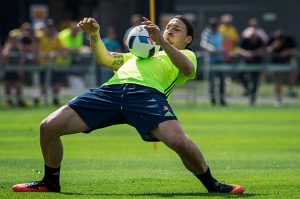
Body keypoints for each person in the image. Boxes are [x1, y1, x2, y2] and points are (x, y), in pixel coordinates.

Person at [12, 16, 244, 194]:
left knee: (179, 142)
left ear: (188, 39)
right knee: (48, 126)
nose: (170, 30)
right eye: (168, 27)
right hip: (110, 92)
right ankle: (50, 182)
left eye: (177, 28)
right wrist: (94, 34)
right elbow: (104, 58)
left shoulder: (185, 54)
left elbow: (187, 69)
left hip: (147, 96)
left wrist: (162, 40)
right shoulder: (139, 55)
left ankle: (213, 185)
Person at [266, 29, 298, 105]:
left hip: (287, 62)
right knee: (278, 81)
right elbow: (266, 50)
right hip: (276, 63)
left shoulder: (289, 39)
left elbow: (296, 50)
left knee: (294, 68)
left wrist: (287, 52)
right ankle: (278, 99)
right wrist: (274, 46)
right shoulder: (272, 40)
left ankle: (290, 89)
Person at [200, 17, 227, 106]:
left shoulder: (219, 34)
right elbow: (203, 44)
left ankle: (222, 99)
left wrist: (223, 50)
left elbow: (222, 45)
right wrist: (212, 49)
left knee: (222, 81)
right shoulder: (207, 33)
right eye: (213, 26)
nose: (214, 27)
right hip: (211, 61)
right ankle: (213, 100)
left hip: (220, 60)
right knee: (212, 82)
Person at [236, 28, 265, 105]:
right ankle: (247, 89)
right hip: (247, 62)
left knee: (255, 81)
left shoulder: (259, 40)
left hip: (257, 62)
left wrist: (254, 53)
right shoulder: (245, 40)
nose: (253, 37)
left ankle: (253, 98)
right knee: (239, 73)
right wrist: (246, 53)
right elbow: (238, 49)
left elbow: (263, 49)